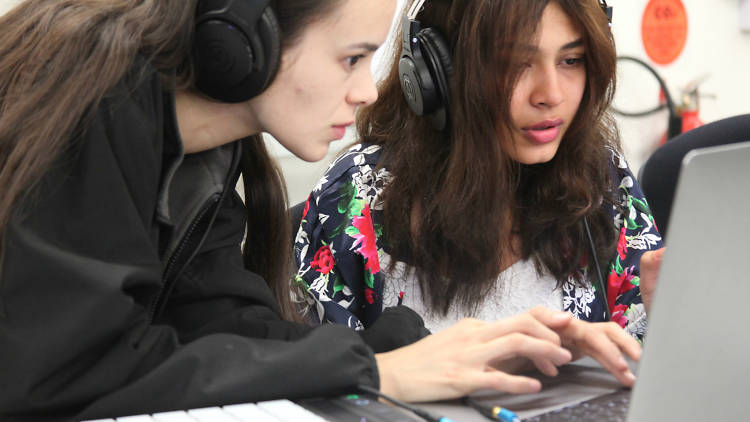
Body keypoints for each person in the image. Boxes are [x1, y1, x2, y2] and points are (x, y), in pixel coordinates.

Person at [0, 0, 590, 420]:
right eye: (352, 58)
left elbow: (223, 327)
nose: (364, 92)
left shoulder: (203, 153)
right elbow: (67, 375)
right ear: (243, 41)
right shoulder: (92, 105)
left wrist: (421, 350)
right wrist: (376, 375)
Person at [294, 0, 664, 388]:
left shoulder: (603, 179)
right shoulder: (359, 193)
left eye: (571, 60)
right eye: (515, 64)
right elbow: (316, 390)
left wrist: (665, 328)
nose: (551, 95)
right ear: (437, 71)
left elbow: (638, 375)